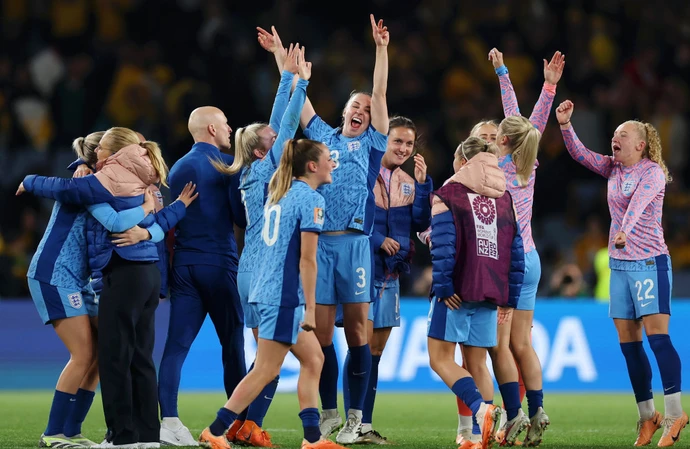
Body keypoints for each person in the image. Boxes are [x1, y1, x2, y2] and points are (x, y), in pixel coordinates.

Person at [257, 15, 390, 444]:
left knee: (358, 334)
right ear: (345, 111)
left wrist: (381, 49)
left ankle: (356, 417)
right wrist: (282, 60)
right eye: (355, 106)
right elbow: (299, 101)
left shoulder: (373, 144)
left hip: (354, 247)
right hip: (320, 246)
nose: (360, 111)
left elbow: (381, 91)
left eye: (366, 110)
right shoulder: (322, 137)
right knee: (322, 335)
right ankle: (331, 415)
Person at [18, 127, 194, 448]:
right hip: (55, 272)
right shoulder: (91, 183)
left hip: (81, 279)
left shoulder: (116, 184)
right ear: (107, 154)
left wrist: (155, 216)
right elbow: (113, 218)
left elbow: (148, 224)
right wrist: (146, 209)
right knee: (85, 353)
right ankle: (54, 432)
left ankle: (72, 431)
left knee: (104, 353)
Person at [198, 138, 345, 449]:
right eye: (328, 159)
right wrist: (309, 307)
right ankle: (215, 429)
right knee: (266, 369)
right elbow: (307, 260)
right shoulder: (311, 200)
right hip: (282, 296)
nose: (333, 163)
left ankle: (312, 438)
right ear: (312, 166)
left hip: (269, 289)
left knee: (314, 358)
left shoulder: (281, 194)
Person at [556, 99, 688, 447]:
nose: (615, 139)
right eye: (614, 134)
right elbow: (581, 155)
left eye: (623, 135)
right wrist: (566, 126)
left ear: (641, 145)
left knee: (658, 339)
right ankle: (648, 416)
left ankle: (675, 412)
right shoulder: (613, 168)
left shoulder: (652, 172)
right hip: (620, 268)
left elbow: (638, 206)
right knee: (629, 347)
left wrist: (624, 231)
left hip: (648, 263)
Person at [210, 43, 311, 447]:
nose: (282, 137)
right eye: (273, 139)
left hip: (246, 273)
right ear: (261, 148)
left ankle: (243, 425)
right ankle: (232, 425)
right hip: (268, 272)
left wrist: (286, 76)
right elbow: (284, 125)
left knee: (267, 360)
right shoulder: (271, 165)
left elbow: (274, 124)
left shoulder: (251, 169)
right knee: (271, 362)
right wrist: (300, 84)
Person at [485, 47, 564, 447]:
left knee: (500, 347)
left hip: (506, 264)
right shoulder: (527, 165)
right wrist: (548, 86)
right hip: (531, 260)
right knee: (523, 343)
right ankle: (538, 410)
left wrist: (502, 72)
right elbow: (528, 123)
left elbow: (517, 119)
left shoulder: (493, 168)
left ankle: (513, 416)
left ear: (500, 138)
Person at [158, 105, 247, 446]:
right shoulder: (226, 166)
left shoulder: (179, 166)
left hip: (184, 265)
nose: (229, 129)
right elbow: (240, 217)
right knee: (232, 343)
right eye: (225, 124)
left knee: (176, 346)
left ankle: (168, 420)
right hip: (219, 264)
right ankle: (238, 423)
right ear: (211, 129)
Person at [339, 116, 432, 443]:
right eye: (398, 142)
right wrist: (378, 239)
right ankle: (350, 421)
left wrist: (422, 187)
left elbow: (420, 222)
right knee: (359, 346)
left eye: (409, 143)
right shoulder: (360, 171)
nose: (404, 148)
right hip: (361, 268)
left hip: (391, 274)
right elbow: (345, 214)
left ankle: (364, 423)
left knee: (375, 351)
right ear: (383, 140)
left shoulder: (408, 181)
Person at [427, 137, 525, 449]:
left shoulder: (448, 194)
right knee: (478, 362)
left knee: (440, 359)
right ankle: (474, 438)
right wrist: (510, 295)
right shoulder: (505, 197)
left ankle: (482, 410)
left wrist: (443, 286)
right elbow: (516, 250)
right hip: (492, 290)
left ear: (462, 161)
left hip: (458, 289)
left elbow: (442, 244)